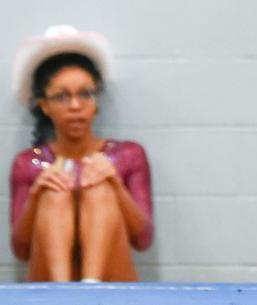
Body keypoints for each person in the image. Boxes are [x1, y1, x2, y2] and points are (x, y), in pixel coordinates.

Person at [9, 26, 153, 282]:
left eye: (85, 94)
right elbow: (20, 251)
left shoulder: (128, 154)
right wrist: (35, 195)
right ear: (44, 105)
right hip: (50, 281)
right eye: (62, 96)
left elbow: (142, 240)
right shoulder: (28, 163)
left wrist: (116, 185)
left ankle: (89, 291)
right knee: (54, 194)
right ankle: (65, 296)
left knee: (100, 190)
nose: (76, 106)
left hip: (112, 281)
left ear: (97, 100)